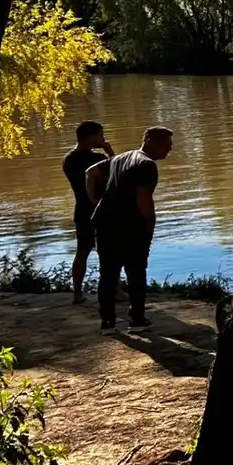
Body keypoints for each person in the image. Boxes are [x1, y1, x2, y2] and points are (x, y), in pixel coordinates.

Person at [87, 126, 173, 334]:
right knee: (136, 272)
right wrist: (149, 226)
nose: (169, 150)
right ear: (151, 141)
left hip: (104, 223)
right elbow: (143, 198)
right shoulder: (146, 164)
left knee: (108, 274)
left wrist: (96, 201)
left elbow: (91, 173)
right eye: (167, 145)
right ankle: (137, 320)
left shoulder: (121, 158)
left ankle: (107, 322)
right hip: (129, 225)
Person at [61, 121, 113, 305]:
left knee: (83, 251)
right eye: (100, 135)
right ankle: (114, 290)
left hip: (81, 209)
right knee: (107, 251)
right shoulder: (96, 159)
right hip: (99, 209)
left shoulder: (69, 159)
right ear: (89, 137)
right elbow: (116, 175)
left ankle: (77, 293)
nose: (103, 139)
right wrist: (110, 154)